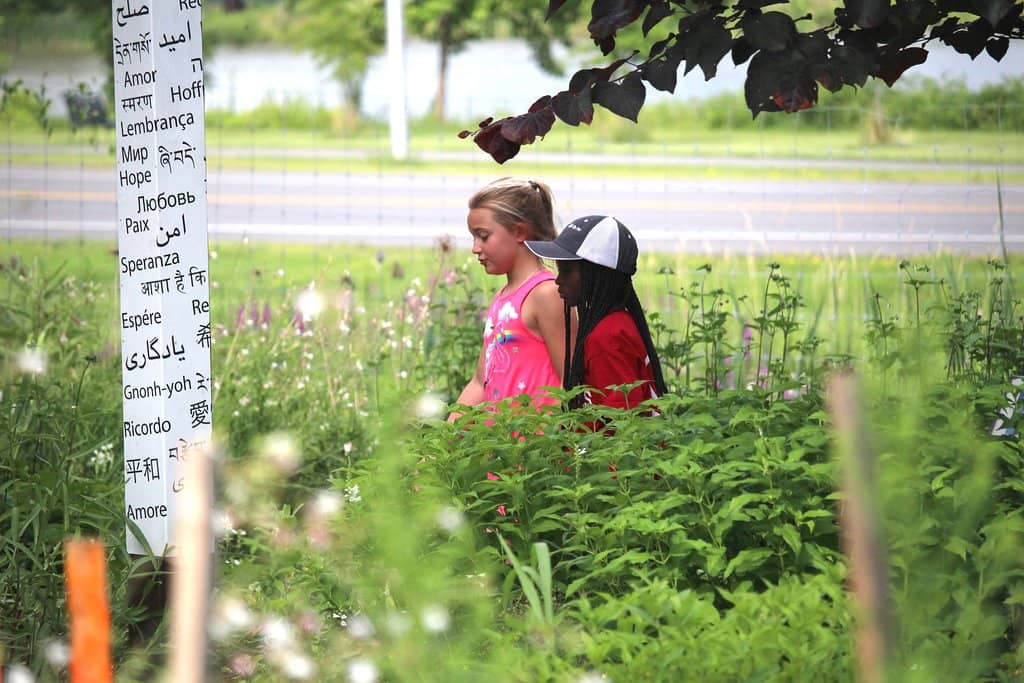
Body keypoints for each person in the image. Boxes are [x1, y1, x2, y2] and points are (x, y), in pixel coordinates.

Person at [449, 178, 570, 419]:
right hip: (507, 448)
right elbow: (479, 383)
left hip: (538, 448)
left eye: (483, 236)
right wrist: (440, 446)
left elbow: (572, 383)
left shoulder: (545, 294)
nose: (475, 247)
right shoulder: (504, 299)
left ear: (519, 231)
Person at [525, 215, 667, 410]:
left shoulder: (607, 337)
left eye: (566, 271)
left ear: (595, 275)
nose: (558, 280)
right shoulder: (618, 323)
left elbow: (621, 422)